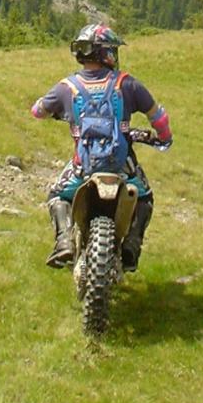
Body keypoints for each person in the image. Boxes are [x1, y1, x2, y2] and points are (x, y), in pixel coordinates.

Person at [31, 23, 172, 271]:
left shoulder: (68, 86)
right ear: (106, 52)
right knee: (145, 197)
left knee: (56, 195)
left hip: (82, 167)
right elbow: (157, 116)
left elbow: (38, 112)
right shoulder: (127, 83)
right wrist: (164, 136)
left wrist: (47, 106)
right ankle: (132, 244)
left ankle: (64, 240)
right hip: (122, 166)